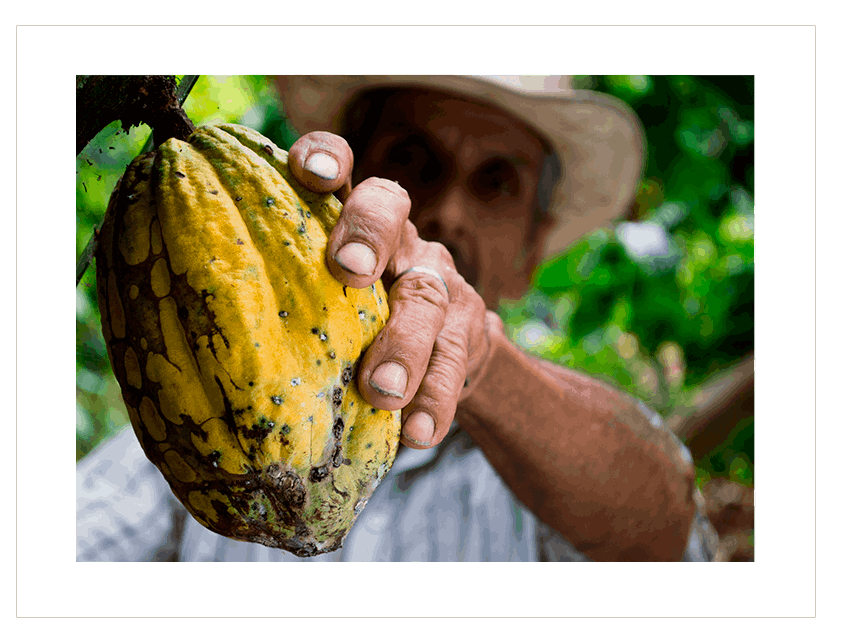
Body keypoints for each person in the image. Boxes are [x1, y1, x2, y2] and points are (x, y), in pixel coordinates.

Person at [76, 75, 722, 562]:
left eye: (496, 182)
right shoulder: (193, 410)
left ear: (531, 250)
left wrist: (480, 363)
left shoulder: (555, 471)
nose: (448, 212)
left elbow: (663, 525)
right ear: (339, 176)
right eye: (414, 158)